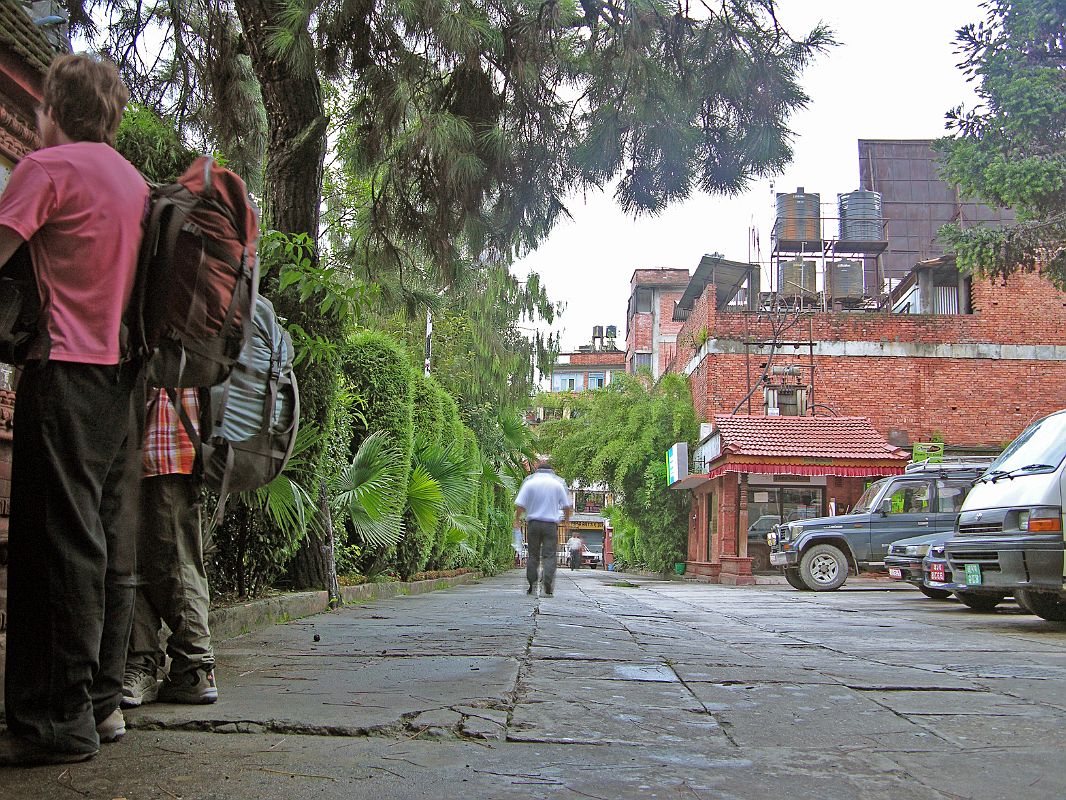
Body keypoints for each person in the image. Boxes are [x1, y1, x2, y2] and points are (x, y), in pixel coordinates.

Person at [0, 55, 149, 764]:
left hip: (61, 372)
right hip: (118, 386)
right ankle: (91, 701)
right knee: (92, 541)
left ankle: (56, 723)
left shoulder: (48, 168)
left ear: (51, 107)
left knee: (53, 545)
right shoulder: (132, 183)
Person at [121, 388, 218, 709]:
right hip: (140, 450)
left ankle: (195, 667)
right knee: (130, 564)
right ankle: (141, 663)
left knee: (177, 562)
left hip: (169, 446)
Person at [514, 458, 572, 597]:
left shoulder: (530, 482)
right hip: (551, 525)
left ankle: (531, 583)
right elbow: (566, 506)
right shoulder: (557, 483)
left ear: (537, 470)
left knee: (533, 555)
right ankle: (547, 581)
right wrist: (568, 521)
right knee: (550, 555)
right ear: (551, 470)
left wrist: (516, 519)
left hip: (533, 523)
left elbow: (520, 505)